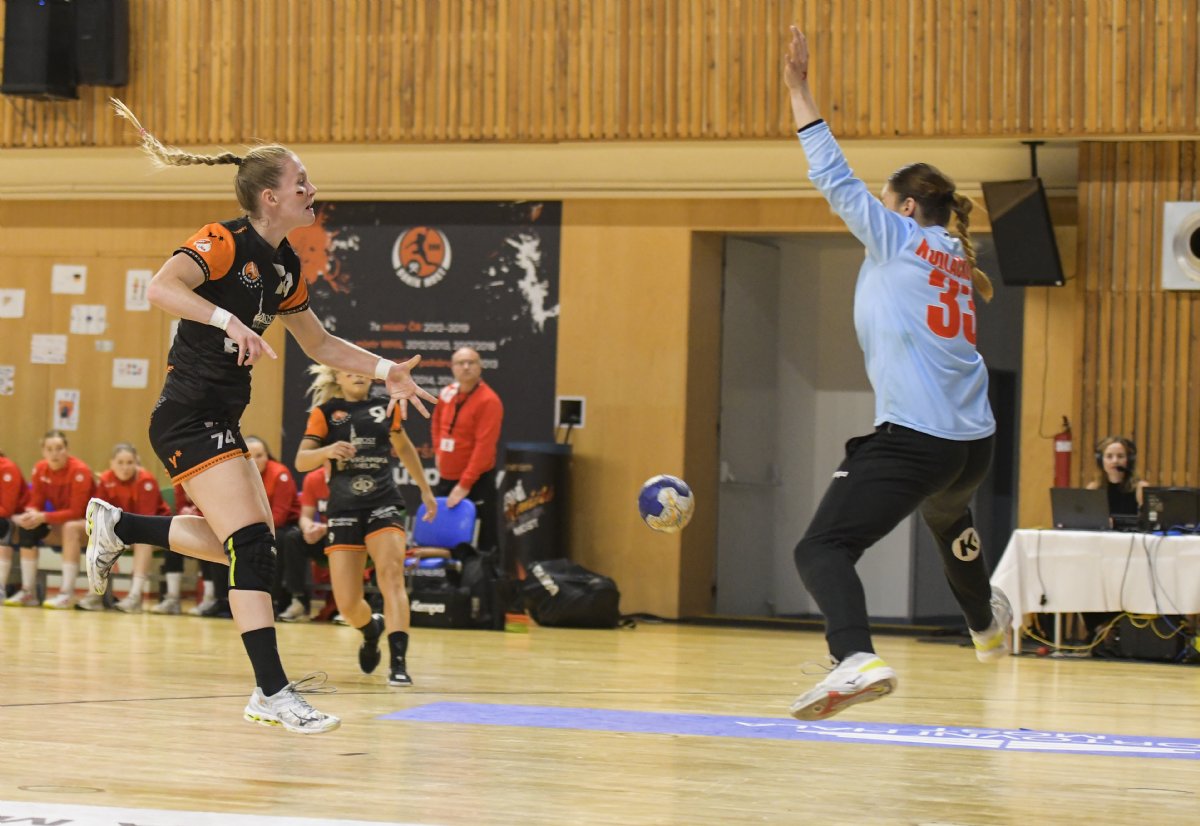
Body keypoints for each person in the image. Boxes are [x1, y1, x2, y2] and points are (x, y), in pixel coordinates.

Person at [84, 100, 437, 735]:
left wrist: (388, 370)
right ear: (270, 197)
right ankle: (271, 692)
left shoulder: (284, 266)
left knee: (253, 551)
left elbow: (320, 344)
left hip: (217, 415)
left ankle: (120, 525)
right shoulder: (223, 241)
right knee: (250, 546)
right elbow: (161, 288)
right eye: (301, 182)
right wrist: (227, 320)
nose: (311, 190)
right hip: (188, 415)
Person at [782, 27, 1012, 721]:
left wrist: (799, 90)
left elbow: (832, 174)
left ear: (907, 209)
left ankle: (855, 656)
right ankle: (986, 625)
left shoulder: (901, 240)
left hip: (917, 439)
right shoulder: (955, 257)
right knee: (947, 517)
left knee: (821, 548)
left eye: (885, 203)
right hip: (974, 444)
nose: (875, 215)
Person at [295, 365, 437, 686]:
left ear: (371, 377)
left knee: (391, 576)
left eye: (361, 371)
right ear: (337, 378)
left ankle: (398, 663)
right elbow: (302, 461)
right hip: (344, 507)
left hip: (382, 502)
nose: (357, 375)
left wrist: (425, 491)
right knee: (347, 604)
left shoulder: (385, 407)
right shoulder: (325, 413)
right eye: (348, 372)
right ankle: (371, 629)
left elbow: (405, 448)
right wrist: (328, 450)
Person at [5, 431, 95, 609]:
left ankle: (66, 593)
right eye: (50, 449)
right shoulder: (40, 469)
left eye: (59, 448)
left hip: (91, 527)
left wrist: (44, 516)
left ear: (67, 449)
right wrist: (31, 513)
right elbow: (36, 502)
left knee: (70, 527)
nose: (55, 453)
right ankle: (28, 591)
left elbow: (77, 511)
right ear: (43, 451)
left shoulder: (80, 470)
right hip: (65, 526)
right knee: (28, 526)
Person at [431, 347, 503, 553]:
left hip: (477, 481)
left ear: (480, 367)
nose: (466, 367)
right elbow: (436, 423)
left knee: (483, 539)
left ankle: (484, 574)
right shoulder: (447, 393)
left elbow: (484, 447)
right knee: (444, 536)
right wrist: (439, 451)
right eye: (460, 363)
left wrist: (464, 484)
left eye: (471, 362)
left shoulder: (489, 400)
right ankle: (449, 574)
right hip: (447, 477)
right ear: (452, 367)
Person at [91, 443, 173, 613]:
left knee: (143, 541)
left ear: (137, 463)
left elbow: (146, 522)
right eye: (120, 462)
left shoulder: (146, 480)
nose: (125, 467)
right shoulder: (105, 480)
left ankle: (135, 597)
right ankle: (95, 595)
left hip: (156, 532)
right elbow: (99, 515)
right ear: (112, 463)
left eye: (130, 462)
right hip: (124, 532)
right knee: (97, 536)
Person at [242, 435, 302, 615]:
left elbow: (280, 516)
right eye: (251, 456)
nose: (256, 460)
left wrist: (251, 531)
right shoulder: (239, 476)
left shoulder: (279, 474)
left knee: (275, 541)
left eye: (260, 455)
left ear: (267, 455)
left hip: (283, 526)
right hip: (254, 526)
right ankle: (222, 599)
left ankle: (273, 599)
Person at [276, 463, 332, 622]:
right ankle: (299, 600)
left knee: (348, 536)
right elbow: (305, 516)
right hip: (324, 537)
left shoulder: (353, 477)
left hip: (348, 535)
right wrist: (308, 528)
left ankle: (346, 603)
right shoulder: (314, 478)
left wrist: (327, 528)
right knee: (293, 538)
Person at [1086, 436, 1149, 518]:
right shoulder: (1094, 488)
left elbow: (1148, 521)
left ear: (1129, 460)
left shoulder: (1140, 488)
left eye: (1120, 456)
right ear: (1101, 461)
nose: (1115, 461)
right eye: (1109, 456)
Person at [0, 450, 30, 600]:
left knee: (1, 526)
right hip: (7, 517)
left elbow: (7, 509)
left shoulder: (7, 468)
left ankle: (1, 587)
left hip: (20, 518)